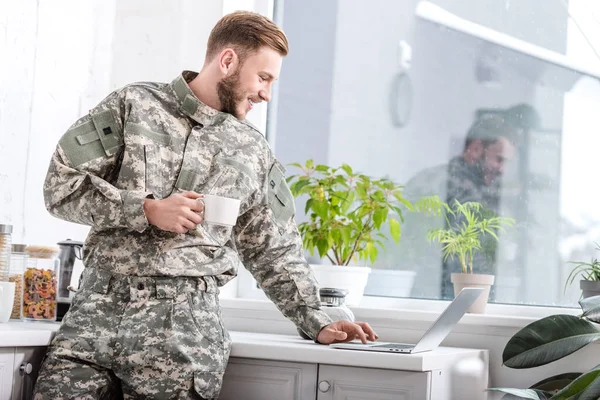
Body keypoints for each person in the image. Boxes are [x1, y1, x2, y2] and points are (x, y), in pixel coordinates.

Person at [34, 11, 377, 400]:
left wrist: (317, 320)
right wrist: (146, 209)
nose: (266, 93)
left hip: (182, 337)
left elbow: (275, 251)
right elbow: (60, 186)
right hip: (90, 322)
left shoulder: (253, 152)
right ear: (227, 61)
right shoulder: (133, 105)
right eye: (263, 77)